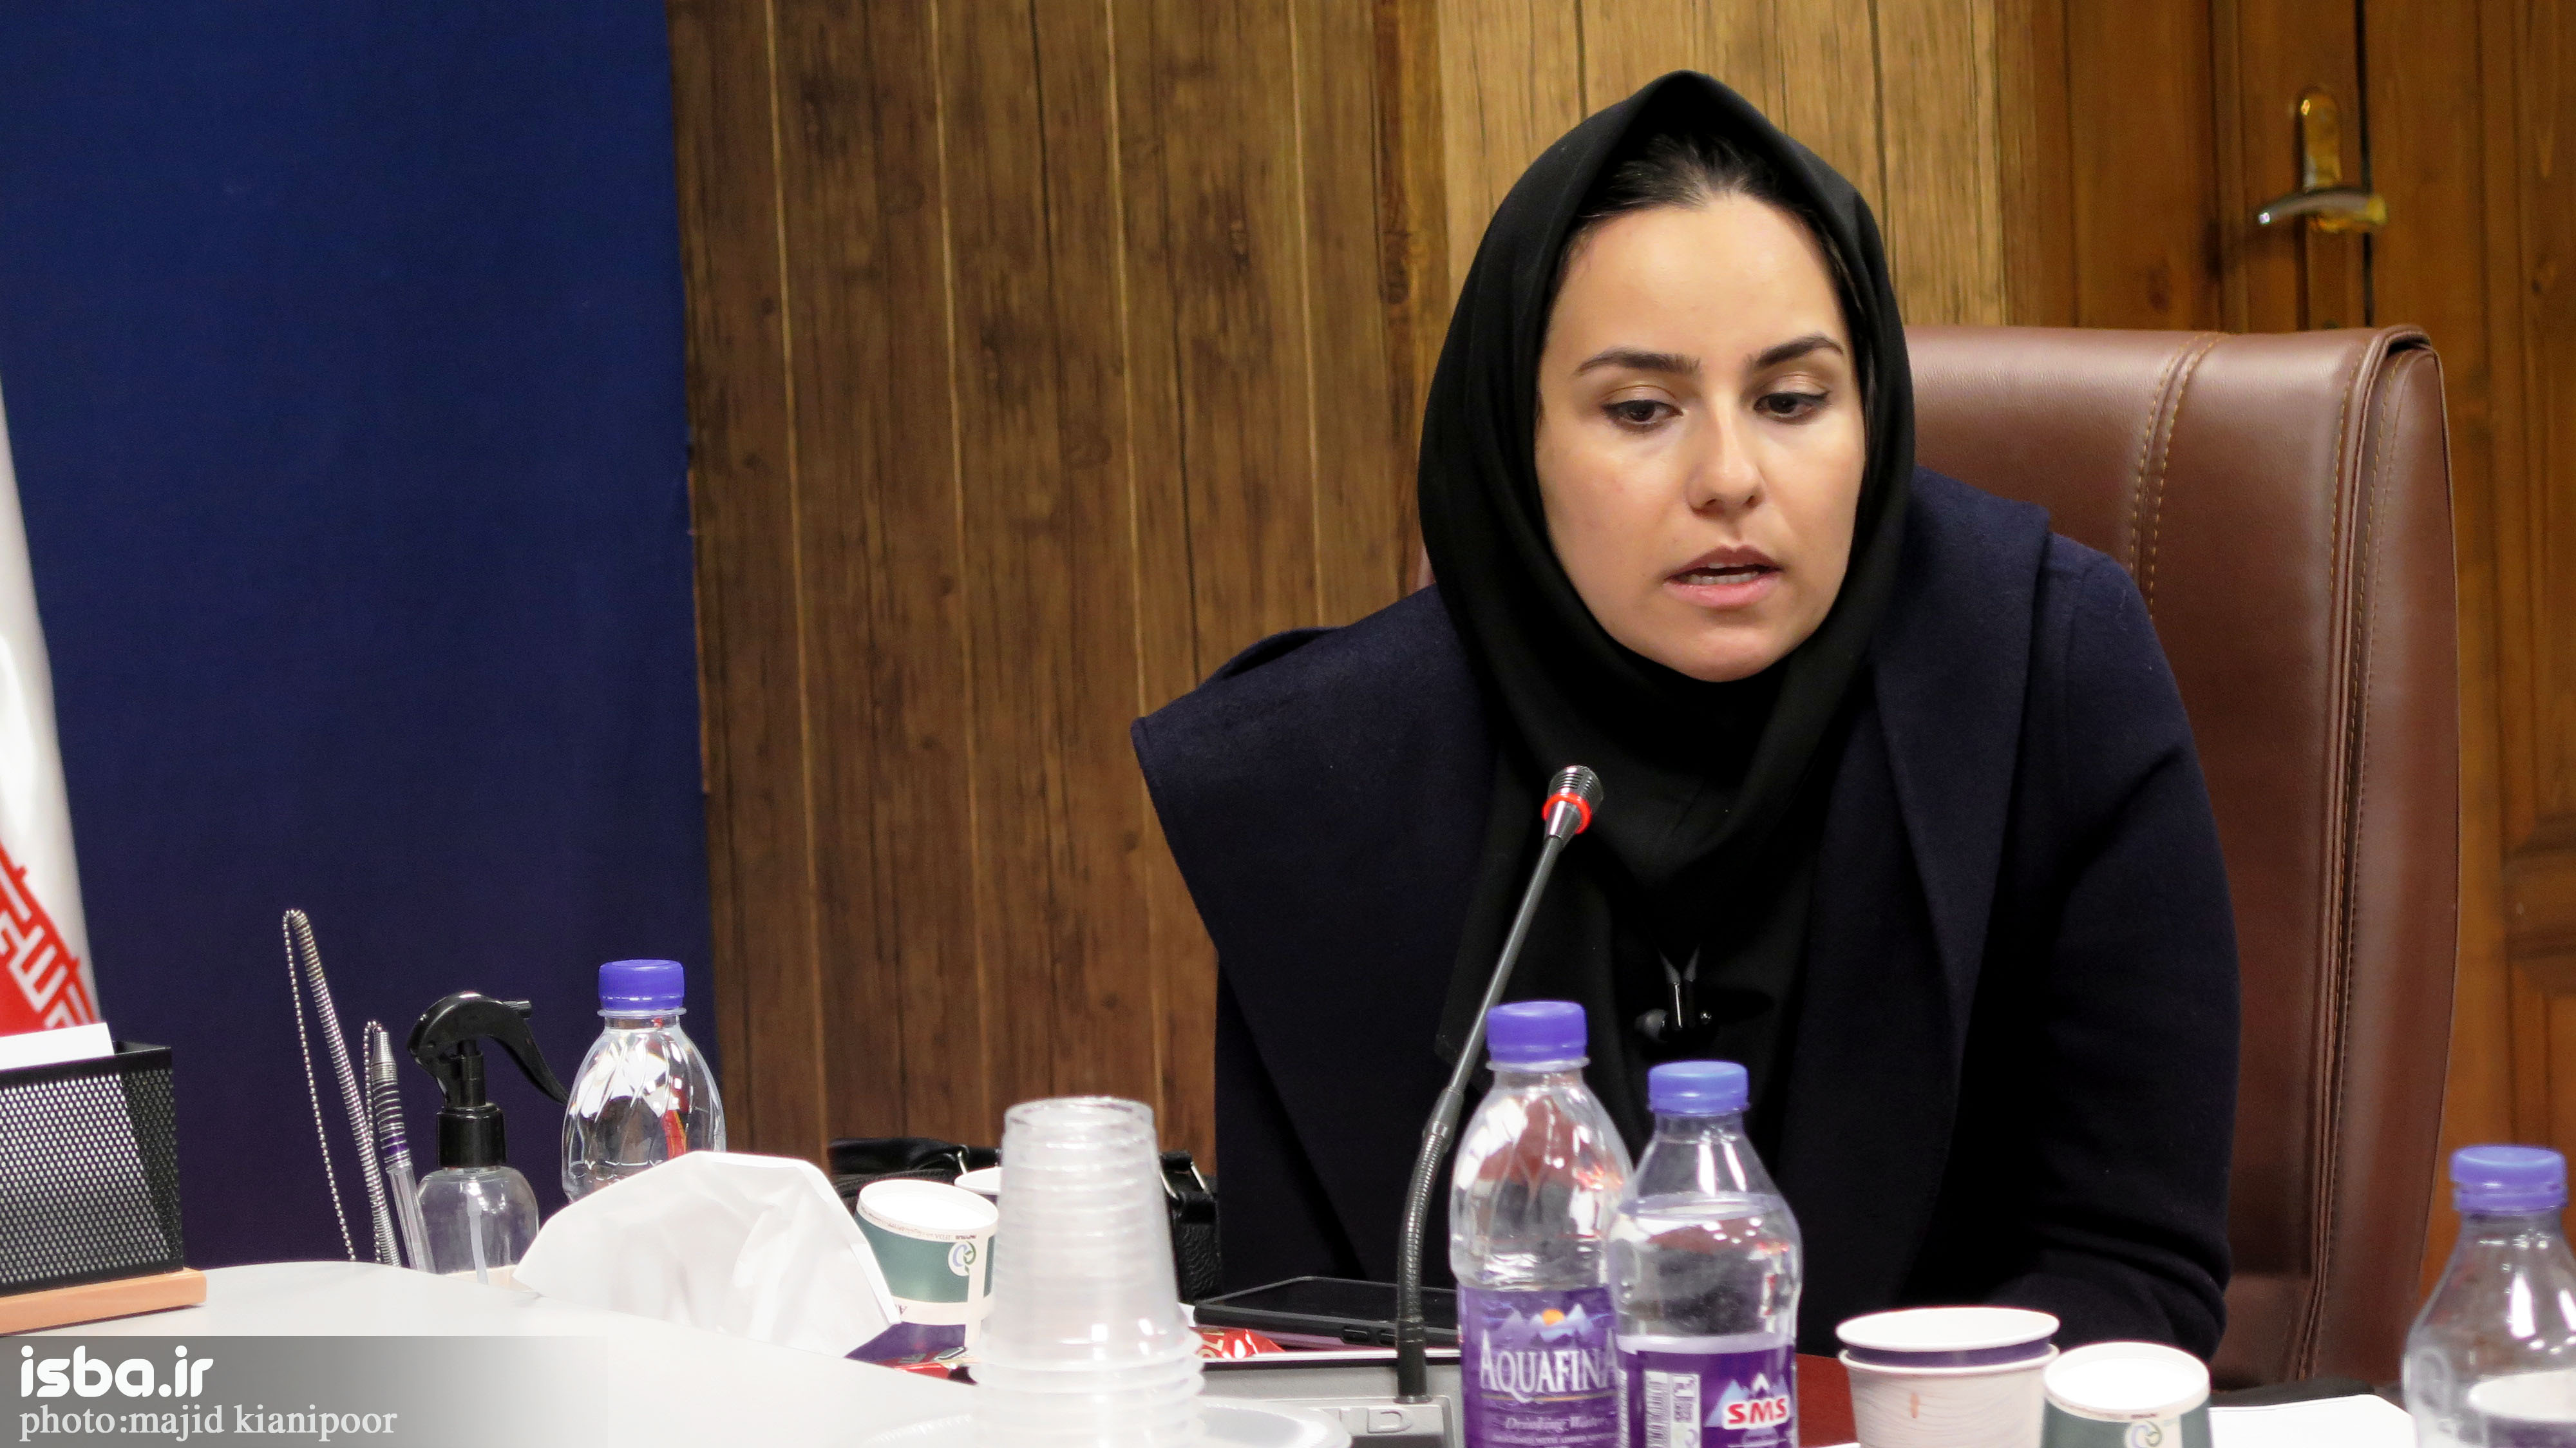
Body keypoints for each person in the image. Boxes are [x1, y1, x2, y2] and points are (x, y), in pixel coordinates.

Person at [1131, 71, 2237, 1356]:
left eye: (1791, 400)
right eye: (1641, 410)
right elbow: (1316, 1331)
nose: (1728, 477)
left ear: (1871, 412)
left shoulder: (2047, 668)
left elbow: (2130, 1265)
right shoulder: (1317, 779)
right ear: (1514, 442)